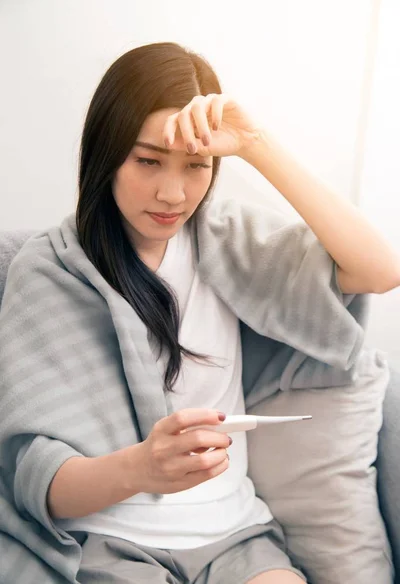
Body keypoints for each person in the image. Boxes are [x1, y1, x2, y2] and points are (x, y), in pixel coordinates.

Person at [1, 41, 399, 584]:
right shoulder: (49, 270)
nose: (172, 193)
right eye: (147, 160)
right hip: (109, 547)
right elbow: (39, 480)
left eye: (196, 166)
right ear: (104, 154)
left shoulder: (229, 242)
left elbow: (380, 271)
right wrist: (143, 467)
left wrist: (257, 144)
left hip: (237, 538)